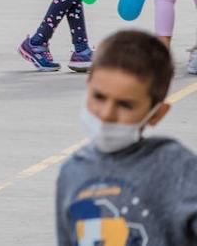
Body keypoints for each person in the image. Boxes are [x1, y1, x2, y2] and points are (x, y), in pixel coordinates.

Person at [56, 30, 197, 245]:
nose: (107, 114)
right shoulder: (72, 173)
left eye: (125, 105)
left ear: (157, 114)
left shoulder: (177, 169)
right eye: (99, 97)